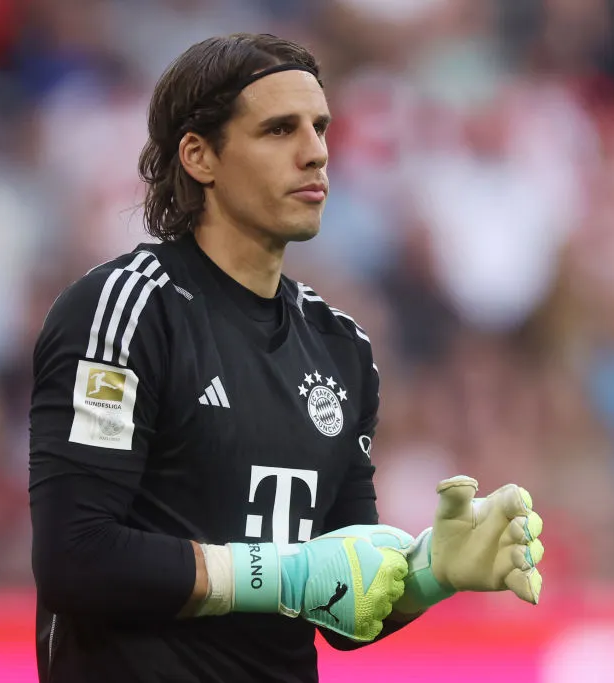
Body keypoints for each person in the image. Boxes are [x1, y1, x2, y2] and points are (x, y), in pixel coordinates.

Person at [28, 33, 545, 683]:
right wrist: (279, 574)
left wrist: (428, 571)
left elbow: (342, 599)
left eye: (321, 127)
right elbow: (77, 557)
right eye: (279, 130)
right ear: (200, 156)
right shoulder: (124, 311)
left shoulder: (342, 349)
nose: (316, 152)